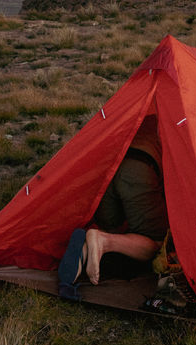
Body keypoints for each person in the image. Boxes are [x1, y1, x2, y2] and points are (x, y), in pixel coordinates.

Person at [58, 117, 168, 293]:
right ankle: (102, 241)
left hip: (109, 165)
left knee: (113, 229)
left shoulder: (141, 113)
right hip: (139, 168)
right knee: (154, 240)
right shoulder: (176, 120)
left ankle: (79, 261)